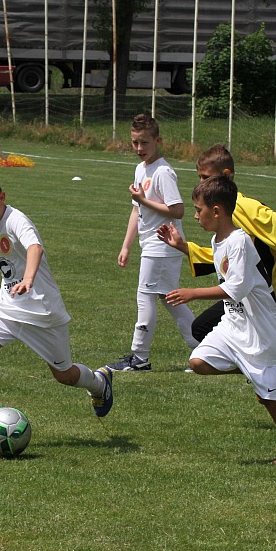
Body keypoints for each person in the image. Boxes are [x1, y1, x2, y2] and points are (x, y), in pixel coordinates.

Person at [158, 144, 276, 428]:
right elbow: (224, 260)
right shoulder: (222, 220)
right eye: (199, 178)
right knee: (202, 330)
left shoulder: (245, 206)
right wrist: (184, 247)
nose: (201, 184)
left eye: (206, 177)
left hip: (268, 296)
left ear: (227, 175)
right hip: (242, 294)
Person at [0, 169, 113, 444]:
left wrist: (29, 279)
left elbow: (35, 248)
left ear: (2, 197)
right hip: (8, 308)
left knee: (64, 375)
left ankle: (99, 382)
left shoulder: (16, 220)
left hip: (42, 312)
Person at [161, 176, 276, 465]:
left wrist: (192, 293)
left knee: (270, 398)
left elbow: (235, 289)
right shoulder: (218, 240)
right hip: (234, 324)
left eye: (198, 209)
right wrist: (181, 245)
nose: (195, 215)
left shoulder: (240, 241)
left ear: (216, 211)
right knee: (198, 362)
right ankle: (251, 369)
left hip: (260, 329)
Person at [107, 113, 197, 373]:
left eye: (144, 143)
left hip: (164, 245)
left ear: (157, 141)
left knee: (145, 296)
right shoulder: (141, 168)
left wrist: (144, 200)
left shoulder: (163, 172)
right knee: (169, 298)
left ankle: (139, 356)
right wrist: (126, 246)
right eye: (134, 143)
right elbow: (137, 210)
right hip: (151, 245)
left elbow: (177, 210)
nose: (138, 148)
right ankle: (203, 346)